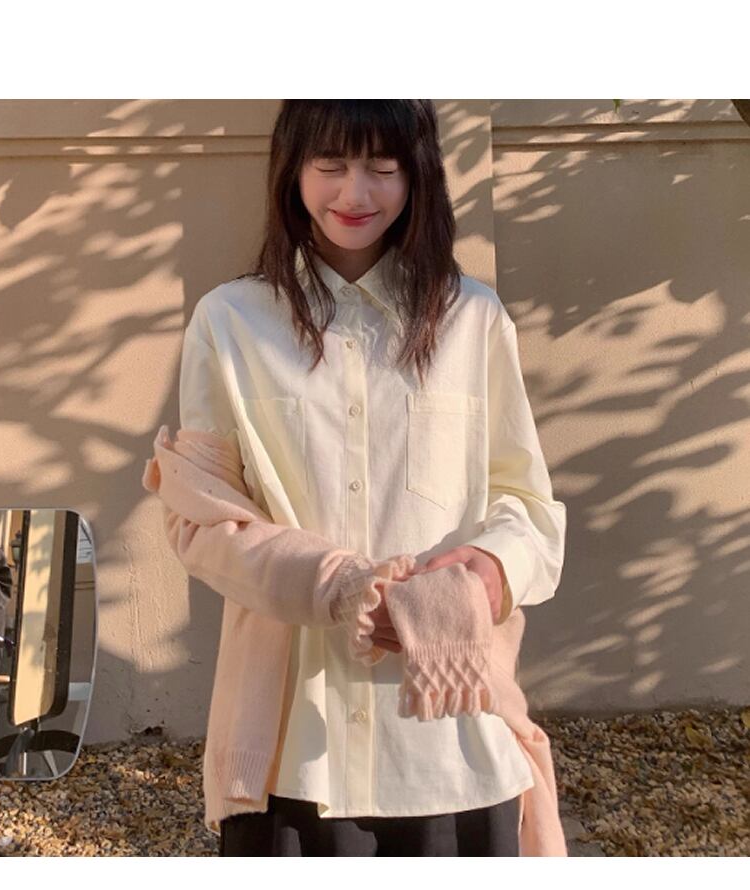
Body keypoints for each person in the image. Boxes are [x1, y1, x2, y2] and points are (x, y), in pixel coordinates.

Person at [160, 100, 567, 856]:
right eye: (331, 165)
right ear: (292, 171)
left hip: (452, 741)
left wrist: (481, 577)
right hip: (292, 749)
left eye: (383, 167)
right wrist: (339, 585)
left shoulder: (472, 318)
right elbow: (201, 519)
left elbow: (528, 508)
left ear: (418, 177)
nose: (356, 193)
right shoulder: (229, 322)